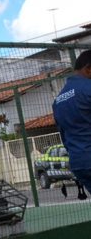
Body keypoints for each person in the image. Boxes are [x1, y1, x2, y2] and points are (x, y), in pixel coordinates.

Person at [53, 49, 91, 192]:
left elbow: (64, 135)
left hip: (79, 162)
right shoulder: (88, 89)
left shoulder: (58, 100)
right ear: (88, 69)